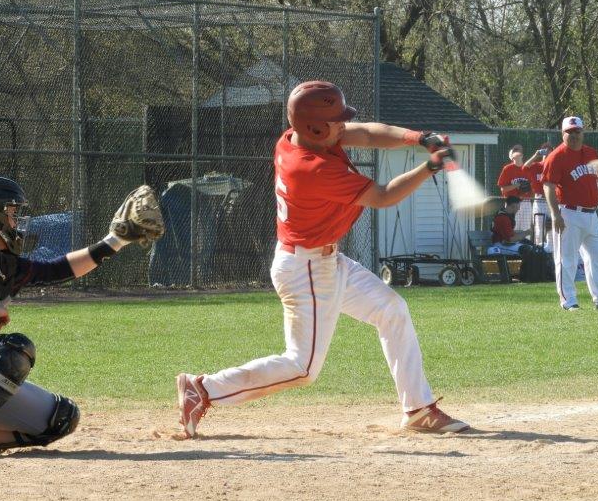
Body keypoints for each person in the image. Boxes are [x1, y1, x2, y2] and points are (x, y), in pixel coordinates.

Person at [176, 80, 470, 438]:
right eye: (335, 121)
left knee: (391, 310)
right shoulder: (313, 167)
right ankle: (204, 389)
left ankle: (419, 409)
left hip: (324, 261)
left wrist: (420, 138)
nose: (343, 126)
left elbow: (364, 132)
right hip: (307, 269)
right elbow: (381, 196)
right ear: (315, 127)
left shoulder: (296, 136)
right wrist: (430, 168)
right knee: (302, 367)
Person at [0, 175, 164, 459]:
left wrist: (115, 241)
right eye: (10, 213)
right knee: (11, 352)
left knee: (60, 417)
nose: (15, 221)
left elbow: (58, 269)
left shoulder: (5, 264)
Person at [542, 117, 598, 311]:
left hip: (591, 214)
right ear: (562, 134)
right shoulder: (556, 156)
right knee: (567, 260)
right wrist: (555, 214)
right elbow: (548, 186)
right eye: (569, 132)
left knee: (597, 257)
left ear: (582, 132)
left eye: (577, 131)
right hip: (568, 213)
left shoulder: (591, 153)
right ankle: (568, 301)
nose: (574, 135)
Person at [497, 144, 542, 231]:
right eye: (515, 150)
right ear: (511, 156)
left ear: (522, 155)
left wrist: (530, 188)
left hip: (525, 202)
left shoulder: (527, 168)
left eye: (519, 150)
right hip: (512, 202)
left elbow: (534, 188)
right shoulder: (507, 169)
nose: (517, 152)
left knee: (525, 229)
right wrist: (516, 185)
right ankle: (513, 244)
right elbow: (503, 189)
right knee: (512, 228)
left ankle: (524, 245)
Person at [523, 144, 554, 252]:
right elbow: (524, 167)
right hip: (539, 200)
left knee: (552, 225)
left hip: (552, 200)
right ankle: (538, 250)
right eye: (545, 151)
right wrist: (535, 155)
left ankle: (551, 249)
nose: (547, 153)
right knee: (539, 226)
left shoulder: (553, 166)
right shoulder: (536, 166)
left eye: (549, 151)